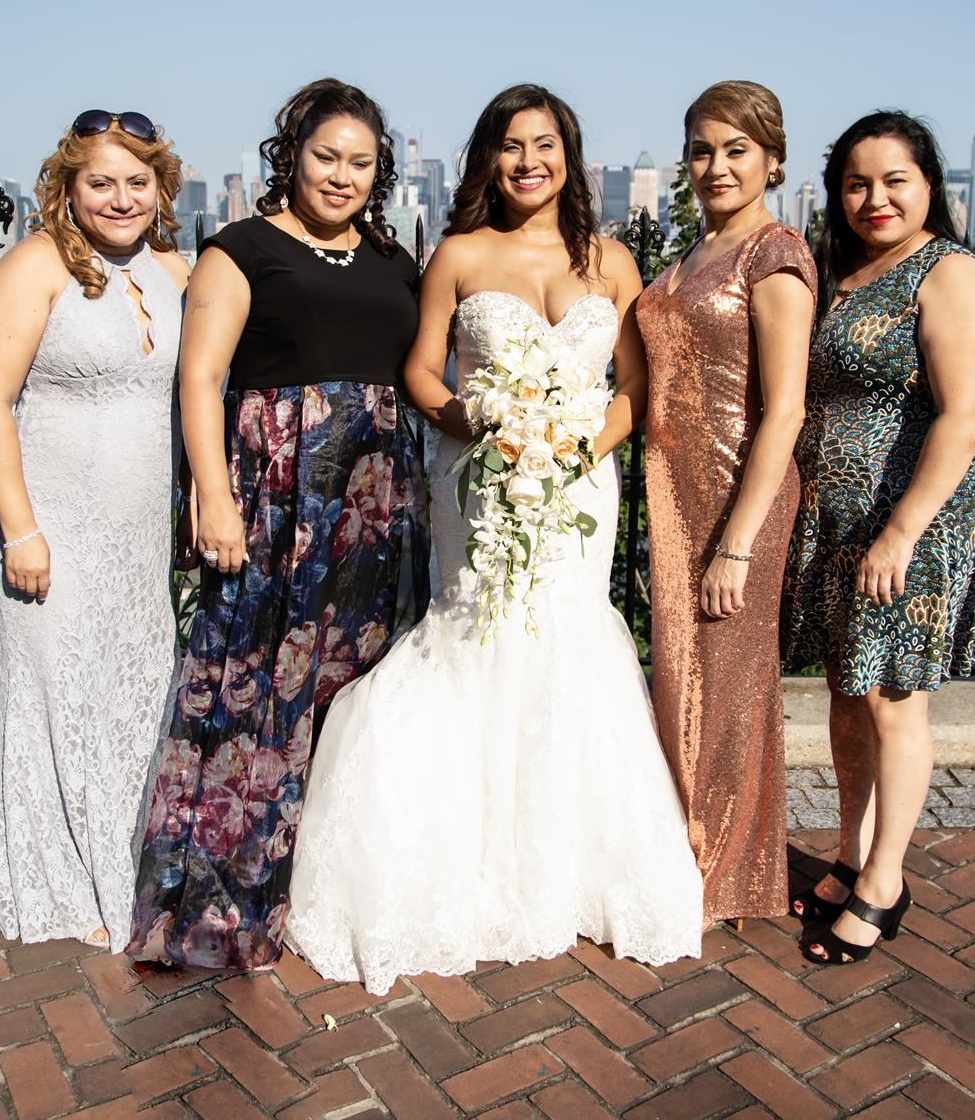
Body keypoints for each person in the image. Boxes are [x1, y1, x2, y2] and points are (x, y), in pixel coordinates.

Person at [286, 84, 703, 995]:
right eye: (511, 146)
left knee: (568, 638)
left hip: (578, 486)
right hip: (475, 480)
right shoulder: (461, 254)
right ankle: (459, 854)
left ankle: (564, 862)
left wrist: (576, 449)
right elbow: (419, 369)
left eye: (544, 144)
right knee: (477, 631)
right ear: (489, 159)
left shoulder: (612, 261)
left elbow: (635, 385)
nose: (528, 162)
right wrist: (473, 423)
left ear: (569, 156)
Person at [128, 79, 431, 971]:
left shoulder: (394, 258)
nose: (341, 175)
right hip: (278, 497)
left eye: (360, 163)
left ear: (380, 173)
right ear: (291, 155)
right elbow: (200, 378)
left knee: (353, 685)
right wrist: (214, 496)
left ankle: (325, 884)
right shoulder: (241, 249)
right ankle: (228, 899)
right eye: (325, 156)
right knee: (258, 683)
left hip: (375, 508)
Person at [0, 109, 191, 950]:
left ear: (160, 186)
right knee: (55, 690)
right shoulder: (34, 265)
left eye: (137, 181)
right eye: (101, 182)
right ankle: (59, 879)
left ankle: (120, 859)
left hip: (138, 531)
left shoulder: (174, 269)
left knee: (131, 689)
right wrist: (20, 530)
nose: (121, 198)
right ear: (68, 186)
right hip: (52, 523)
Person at [782, 111, 975, 964]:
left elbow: (965, 414)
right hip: (840, 522)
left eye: (894, 180)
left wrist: (902, 529)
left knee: (893, 699)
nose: (875, 197)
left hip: (909, 520)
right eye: (857, 183)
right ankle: (850, 852)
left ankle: (885, 880)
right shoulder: (843, 271)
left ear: (929, 186)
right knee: (847, 694)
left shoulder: (948, 273)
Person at [636, 81, 817, 926]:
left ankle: (723, 876)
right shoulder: (695, 251)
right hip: (675, 496)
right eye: (702, 149)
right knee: (682, 678)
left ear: (772, 160)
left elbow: (786, 410)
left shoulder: (774, 257)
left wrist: (739, 542)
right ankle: (689, 854)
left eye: (737, 149)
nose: (717, 165)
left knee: (728, 687)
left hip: (737, 498)